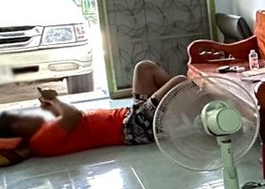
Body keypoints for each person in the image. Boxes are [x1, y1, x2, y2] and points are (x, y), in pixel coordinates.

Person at [0, 60, 187, 160]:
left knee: (145, 68)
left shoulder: (43, 130)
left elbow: (70, 121)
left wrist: (51, 106)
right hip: (134, 129)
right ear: (17, 130)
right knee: (179, 82)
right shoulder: (40, 141)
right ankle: (196, 103)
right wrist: (54, 100)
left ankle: (184, 105)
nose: (27, 115)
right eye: (20, 119)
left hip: (130, 116)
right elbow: (73, 115)